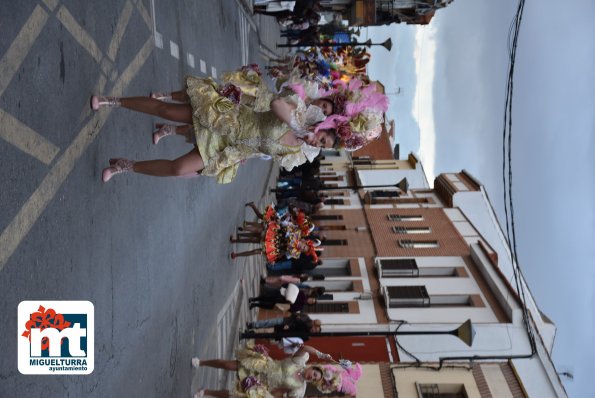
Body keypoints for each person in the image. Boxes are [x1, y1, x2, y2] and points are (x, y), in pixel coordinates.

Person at [90, 76, 339, 184]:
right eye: (322, 137)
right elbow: (275, 103)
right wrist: (296, 125)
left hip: (226, 148)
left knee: (178, 169)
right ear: (322, 126)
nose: (318, 143)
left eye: (323, 146)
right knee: (166, 111)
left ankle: (124, 166)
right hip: (225, 118)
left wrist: (239, 158)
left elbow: (260, 149)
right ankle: (112, 101)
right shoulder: (299, 111)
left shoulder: (296, 153)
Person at [191, 342, 337, 398]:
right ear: (313, 368)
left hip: (261, 384)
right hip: (262, 365)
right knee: (229, 365)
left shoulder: (299, 389)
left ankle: (205, 392)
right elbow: (304, 348)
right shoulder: (300, 361)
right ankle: (202, 362)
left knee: (232, 394)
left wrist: (268, 394)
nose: (312, 377)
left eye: (314, 379)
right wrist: (321, 354)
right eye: (315, 374)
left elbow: (281, 394)